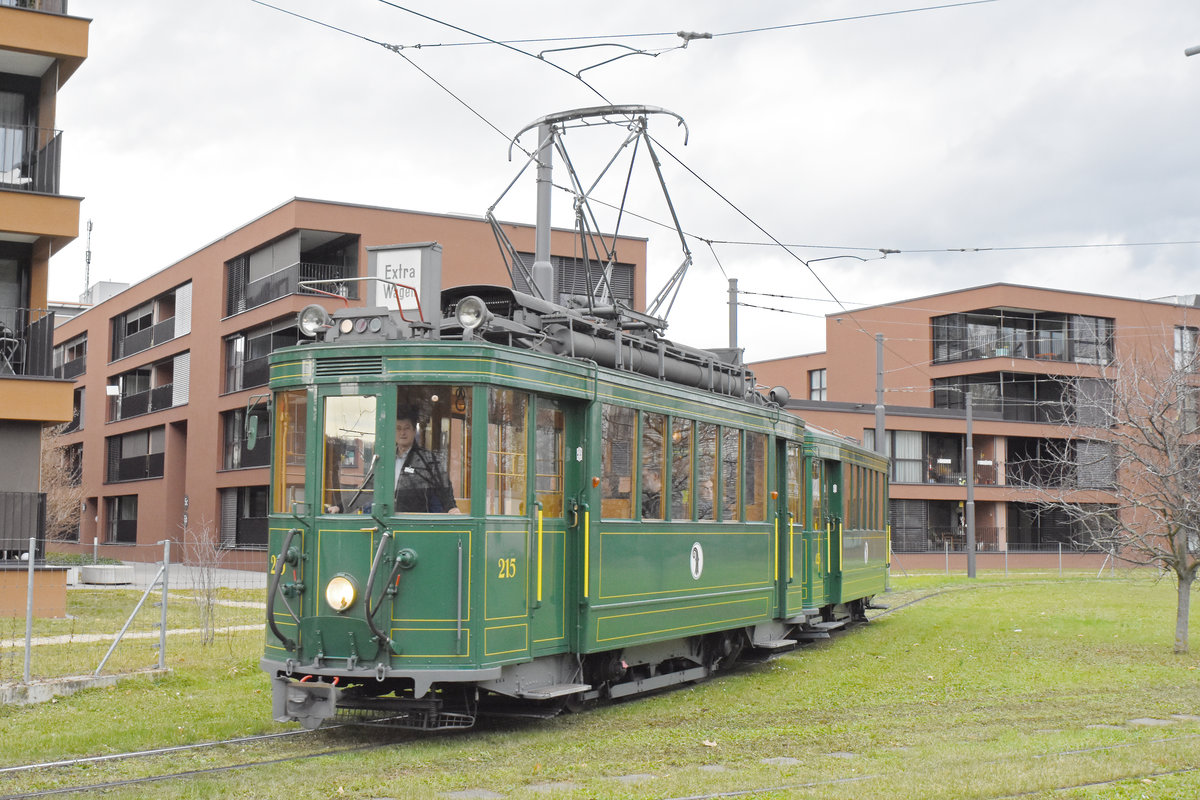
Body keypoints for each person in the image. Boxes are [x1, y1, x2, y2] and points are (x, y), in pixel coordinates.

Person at [393, 408, 461, 514]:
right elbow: (371, 487)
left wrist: (451, 507)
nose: (402, 433)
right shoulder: (386, 459)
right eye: (398, 428)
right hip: (388, 519)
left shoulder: (427, 459)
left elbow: (443, 484)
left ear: (414, 431)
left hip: (416, 520)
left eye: (407, 428)